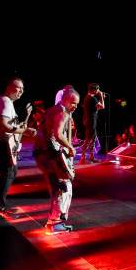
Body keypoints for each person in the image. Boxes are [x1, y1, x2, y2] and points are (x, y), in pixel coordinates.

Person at [33, 88, 80, 235]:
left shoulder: (50, 111)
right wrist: (70, 147)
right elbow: (59, 134)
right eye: (74, 103)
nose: (75, 106)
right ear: (65, 100)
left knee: (56, 186)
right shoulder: (62, 112)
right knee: (64, 186)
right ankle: (55, 223)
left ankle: (53, 222)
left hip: (42, 154)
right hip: (50, 155)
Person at [0, 77, 36, 216]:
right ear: (9, 87)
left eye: (23, 89)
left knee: (11, 172)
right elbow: (4, 127)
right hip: (0, 143)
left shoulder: (7, 102)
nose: (21, 91)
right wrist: (25, 130)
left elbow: (12, 127)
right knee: (9, 172)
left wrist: (26, 119)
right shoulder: (5, 101)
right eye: (18, 88)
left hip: (1, 143)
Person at [80, 83, 105, 164]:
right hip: (91, 121)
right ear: (94, 90)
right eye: (97, 89)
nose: (98, 91)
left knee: (91, 138)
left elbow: (96, 108)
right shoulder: (92, 98)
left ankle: (90, 157)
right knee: (89, 139)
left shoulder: (87, 98)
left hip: (88, 120)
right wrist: (101, 96)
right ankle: (83, 157)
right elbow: (102, 107)